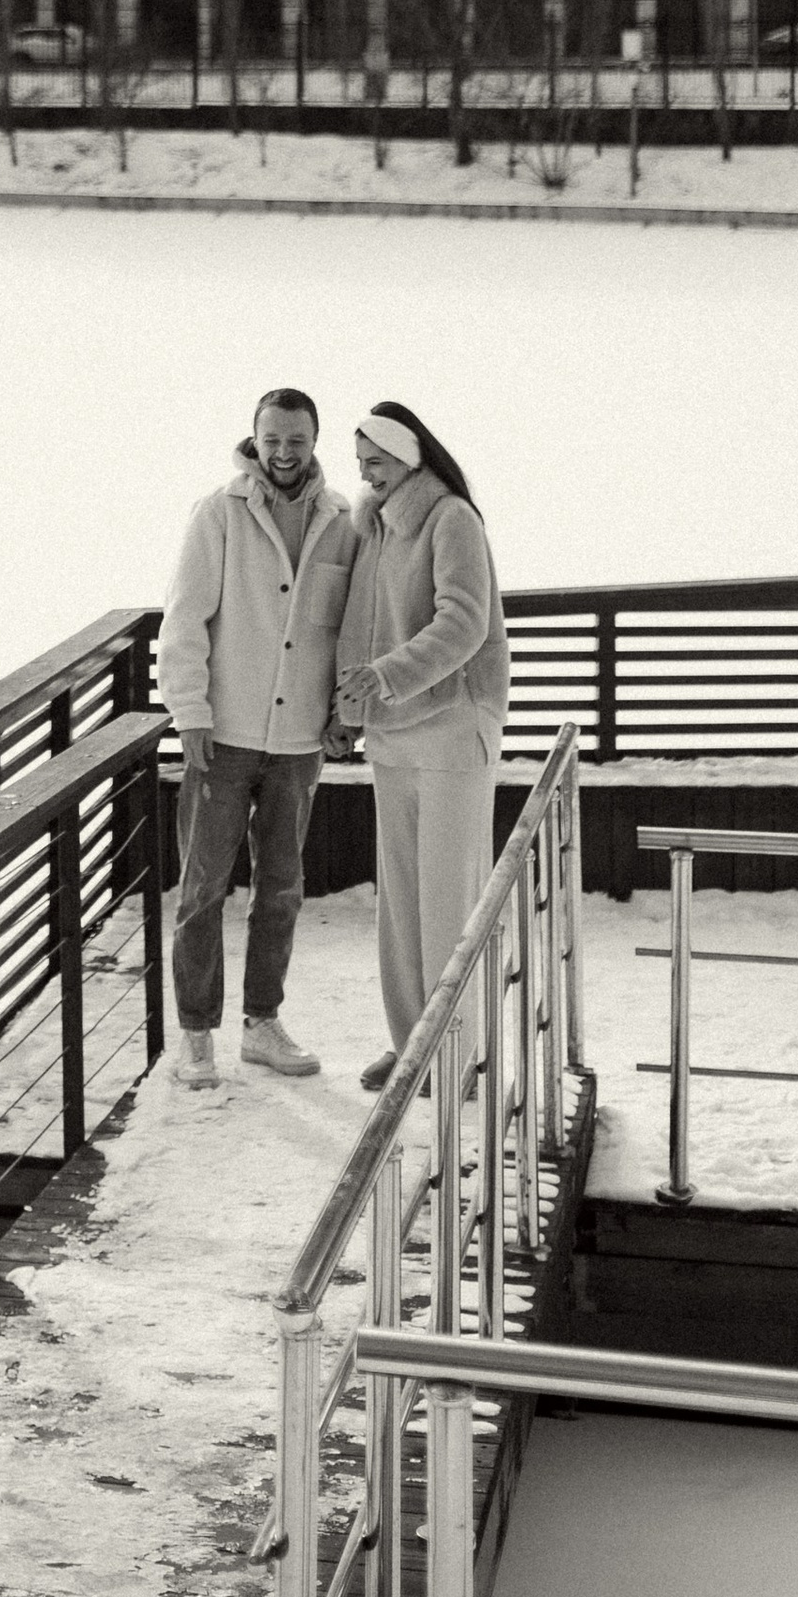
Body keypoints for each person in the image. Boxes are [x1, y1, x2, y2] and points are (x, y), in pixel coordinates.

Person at [157, 387, 360, 1087]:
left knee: (281, 889)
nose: (283, 453)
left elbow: (353, 629)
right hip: (225, 733)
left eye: (296, 441)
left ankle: (262, 1024)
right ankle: (195, 1035)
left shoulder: (344, 522)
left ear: (314, 441)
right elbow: (183, 621)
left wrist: (346, 709)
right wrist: (190, 714)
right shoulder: (218, 514)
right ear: (254, 438)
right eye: (272, 439)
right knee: (202, 888)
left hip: (300, 739)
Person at [333, 403, 511, 1093]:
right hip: (393, 734)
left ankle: (459, 1056)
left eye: (375, 461)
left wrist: (384, 679)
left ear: (410, 457)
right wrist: (344, 710)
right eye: (360, 465)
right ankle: (413, 1046)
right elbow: (356, 626)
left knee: (449, 902)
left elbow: (464, 624)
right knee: (402, 902)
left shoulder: (451, 521)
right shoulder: (373, 528)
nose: (366, 475)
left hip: (450, 727)